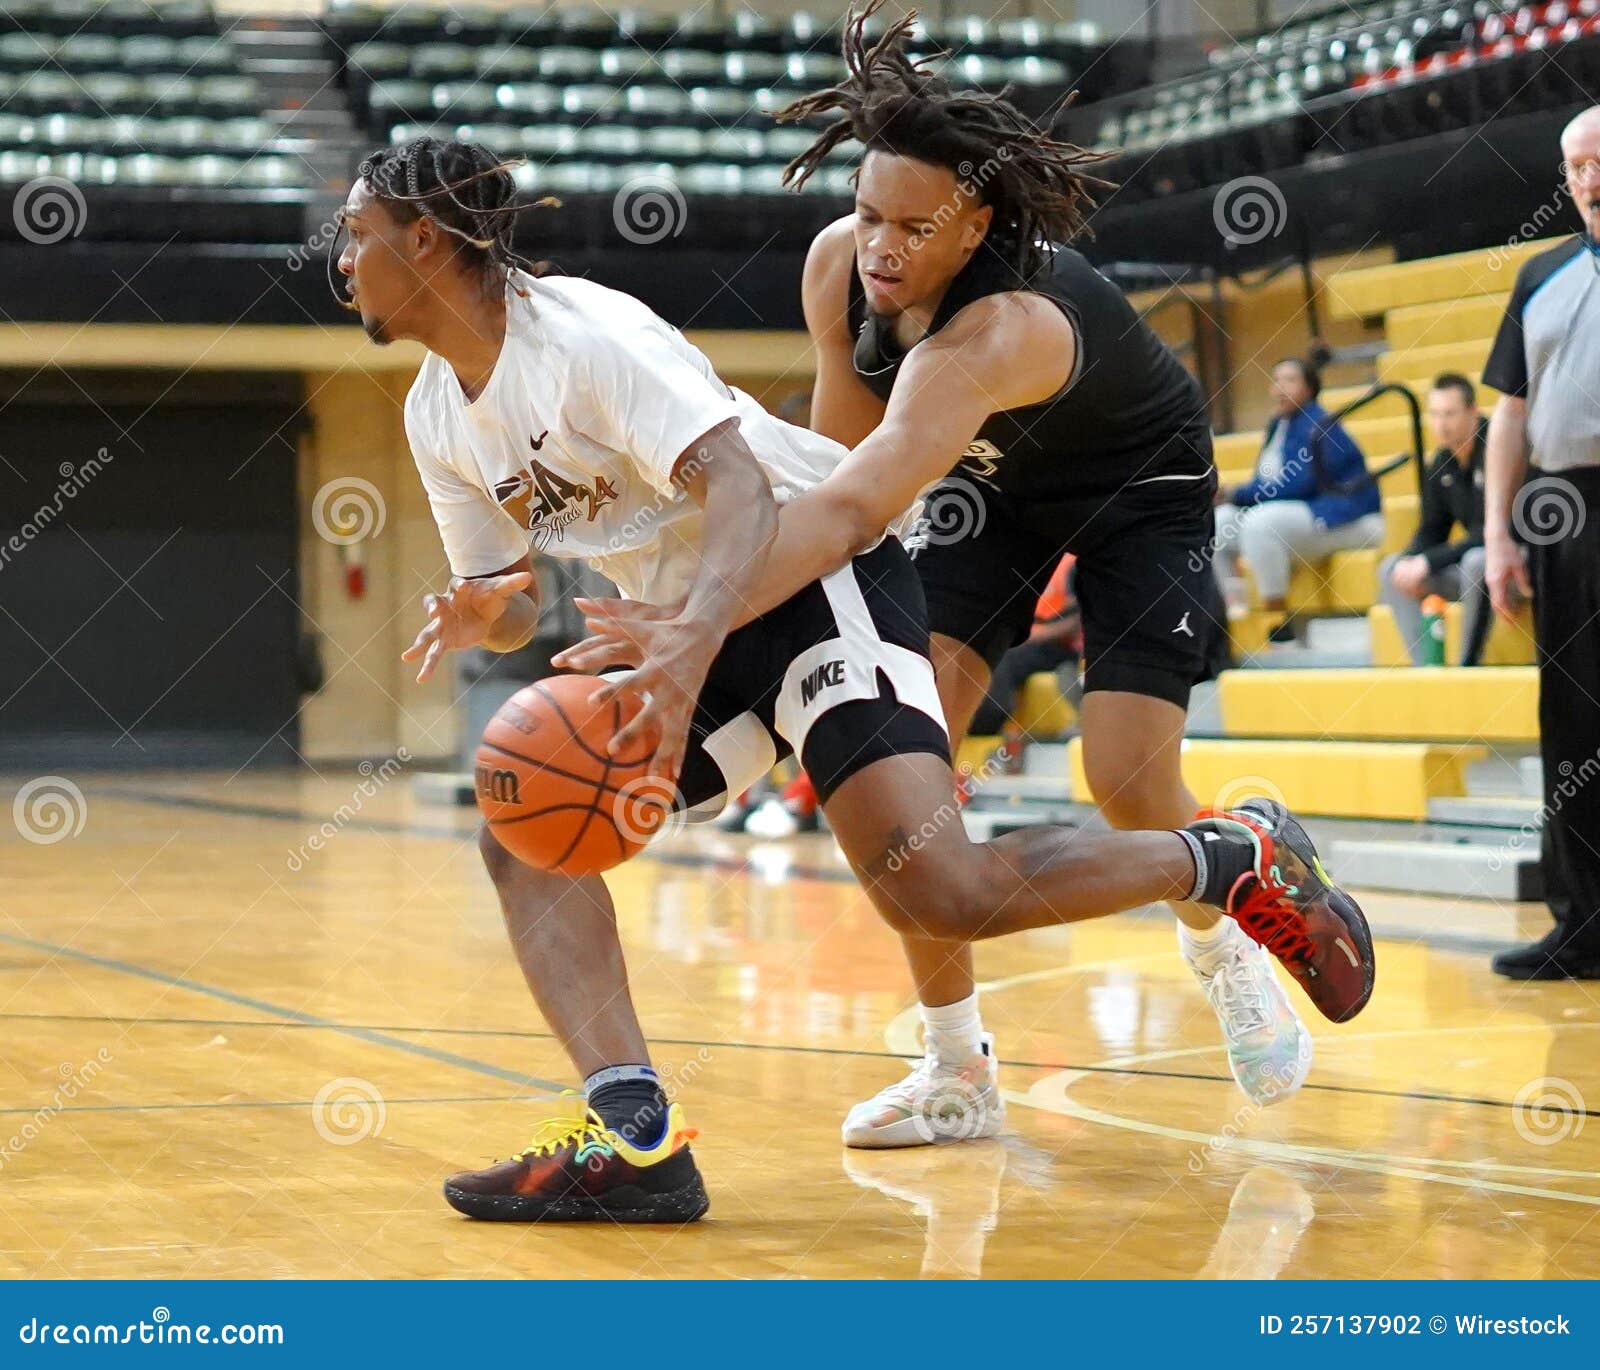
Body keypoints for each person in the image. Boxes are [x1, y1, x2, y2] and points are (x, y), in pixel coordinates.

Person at [335, 135, 1374, 1220]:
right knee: (522, 828)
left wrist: (691, 636)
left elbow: (752, 486)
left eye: (357, 238)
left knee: (938, 884)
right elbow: (504, 585)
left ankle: (1222, 855)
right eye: (867, 217)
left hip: (802, 578)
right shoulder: (433, 412)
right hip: (698, 619)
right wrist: (481, 611)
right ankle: (634, 1132)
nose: (342, 261)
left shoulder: (589, 340)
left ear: (423, 240)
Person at [677, 1, 1317, 1140]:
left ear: (973, 226)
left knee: (1125, 775)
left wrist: (694, 623)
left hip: (1137, 486)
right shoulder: (841, 271)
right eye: (868, 211)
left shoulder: (996, 332)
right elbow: (838, 481)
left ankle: (1222, 929)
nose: (880, 244)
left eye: (911, 228)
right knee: (900, 768)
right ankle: (954, 1070)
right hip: (985, 486)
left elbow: (856, 501)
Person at [1482, 105, 1600, 982]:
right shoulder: (1542, 273)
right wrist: (1497, 539)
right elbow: (1510, 415)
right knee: (1571, 722)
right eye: (1576, 166)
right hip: (1562, 511)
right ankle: (1583, 923)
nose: (1590, 179)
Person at [1213, 357, 1384, 643]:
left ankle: (1279, 625)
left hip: (1345, 517)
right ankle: (1234, 615)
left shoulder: (1319, 424)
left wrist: (1237, 493)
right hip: (1301, 517)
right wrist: (1232, 496)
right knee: (1219, 523)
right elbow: (1264, 482)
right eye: (1276, 380)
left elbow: (1299, 484)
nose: (1279, 388)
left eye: (1290, 380)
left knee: (1259, 523)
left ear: (1310, 388)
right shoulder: (1278, 426)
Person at [1376, 373, 1498, 666]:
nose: (1441, 424)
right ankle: (1427, 670)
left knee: (1476, 562)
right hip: (1479, 568)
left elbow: (1491, 532)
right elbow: (1432, 529)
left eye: (1449, 414)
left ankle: (1468, 668)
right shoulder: (1442, 461)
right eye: (1434, 414)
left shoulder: (1498, 447)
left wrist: (1429, 562)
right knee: (1391, 568)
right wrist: (1411, 560)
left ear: (1473, 411)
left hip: (1518, 562)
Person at [966, 554, 1082, 771]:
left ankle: (988, 720)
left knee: (1005, 657)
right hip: (1024, 637)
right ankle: (975, 724)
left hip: (1056, 647)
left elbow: (1077, 623)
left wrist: (1031, 636)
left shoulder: (1073, 565)